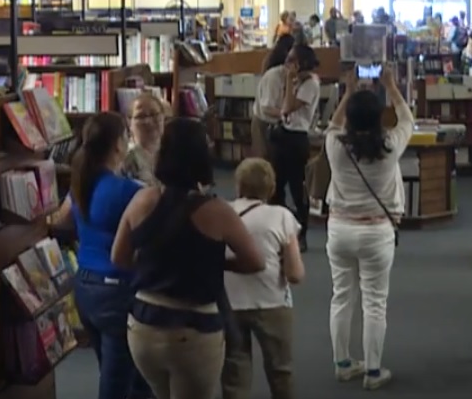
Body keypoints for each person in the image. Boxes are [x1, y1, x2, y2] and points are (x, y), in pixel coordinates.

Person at [112, 118, 265, 399]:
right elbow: (256, 262)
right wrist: (217, 263)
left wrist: (156, 265)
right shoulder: (217, 211)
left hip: (143, 324)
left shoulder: (142, 200)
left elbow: (119, 257)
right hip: (194, 328)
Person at [323, 65, 414, 390]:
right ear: (379, 117)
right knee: (375, 301)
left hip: (339, 230)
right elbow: (407, 120)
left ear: (349, 115)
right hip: (377, 231)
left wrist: (346, 91)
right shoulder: (390, 146)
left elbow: (332, 125)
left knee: (341, 297)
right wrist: (391, 86)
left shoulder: (335, 145)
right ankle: (373, 371)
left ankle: (342, 362)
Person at [50, 112, 151, 399]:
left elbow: (60, 220)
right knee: (120, 379)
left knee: (113, 369)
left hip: (84, 286)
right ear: (119, 145)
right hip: (118, 290)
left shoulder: (81, 185)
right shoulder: (129, 191)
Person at [221, 158, 304, 399]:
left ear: (238, 185)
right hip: (272, 303)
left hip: (230, 303)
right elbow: (295, 273)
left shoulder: (222, 212)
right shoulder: (281, 216)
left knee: (234, 373)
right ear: (272, 188)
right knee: (281, 370)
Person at [271, 44, 320, 251]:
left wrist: (289, 83)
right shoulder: (296, 81)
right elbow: (284, 109)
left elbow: (288, 107)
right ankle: (281, 230)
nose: (286, 63)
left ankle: (301, 234)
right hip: (283, 135)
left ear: (301, 63)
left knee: (297, 189)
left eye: (291, 60)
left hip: (297, 138)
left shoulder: (311, 84)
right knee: (276, 186)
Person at [255, 35, 297, 159]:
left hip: (275, 122)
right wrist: (285, 115)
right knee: (265, 160)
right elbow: (266, 107)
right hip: (265, 122)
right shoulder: (274, 74)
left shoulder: (279, 68)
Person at [124, 90, 171, 184]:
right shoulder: (126, 158)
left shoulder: (173, 152)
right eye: (141, 116)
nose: (148, 121)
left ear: (163, 117)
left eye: (154, 114)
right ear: (129, 122)